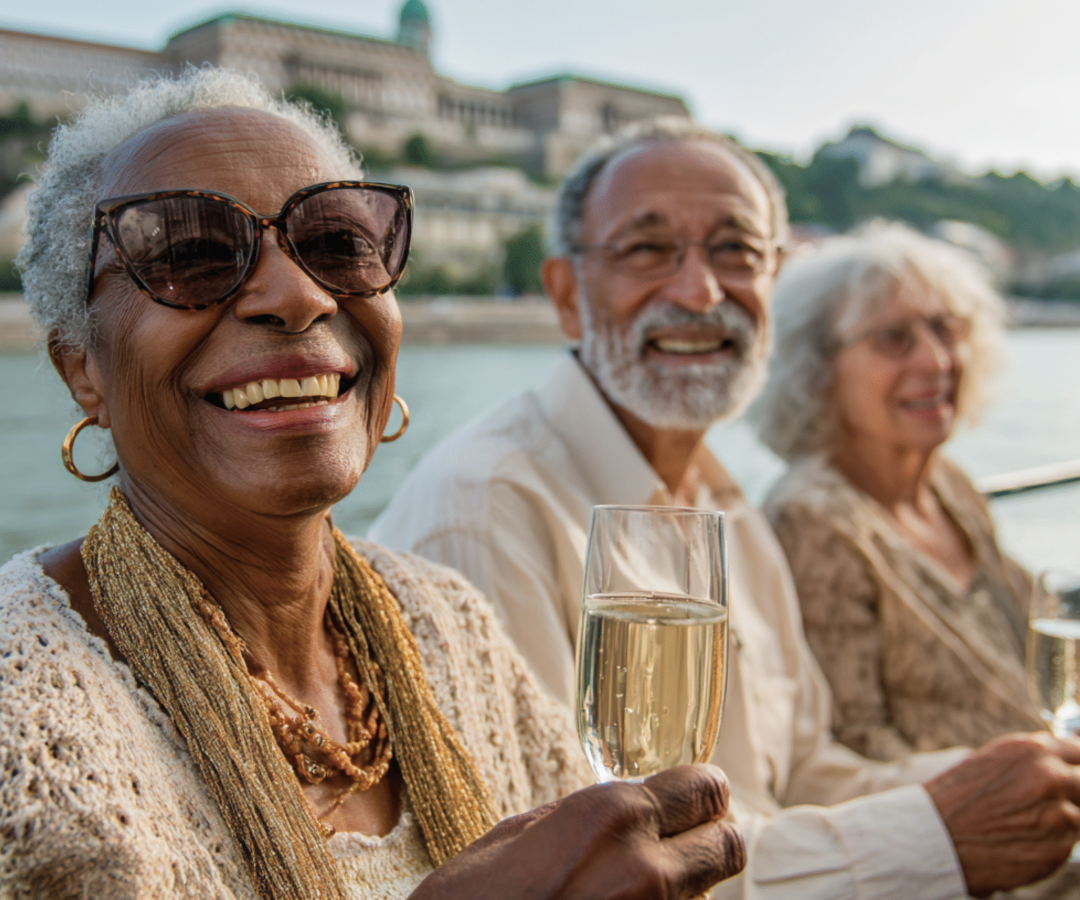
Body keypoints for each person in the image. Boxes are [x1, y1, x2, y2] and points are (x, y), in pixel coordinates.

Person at [0, 69, 747, 900]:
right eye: (191, 255)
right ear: (82, 370)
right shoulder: (23, 719)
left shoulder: (450, 625)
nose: (298, 295)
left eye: (337, 246)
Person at [372, 118, 1080, 899]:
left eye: (737, 251)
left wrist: (1017, 783)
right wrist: (936, 833)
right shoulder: (488, 511)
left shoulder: (724, 506)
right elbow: (606, 874)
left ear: (775, 282)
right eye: (647, 250)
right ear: (567, 295)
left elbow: (806, 768)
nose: (700, 291)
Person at [756, 222, 1045, 761]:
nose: (935, 361)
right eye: (893, 338)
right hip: (972, 832)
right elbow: (854, 746)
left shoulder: (949, 487)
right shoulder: (813, 523)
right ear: (817, 369)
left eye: (945, 328)